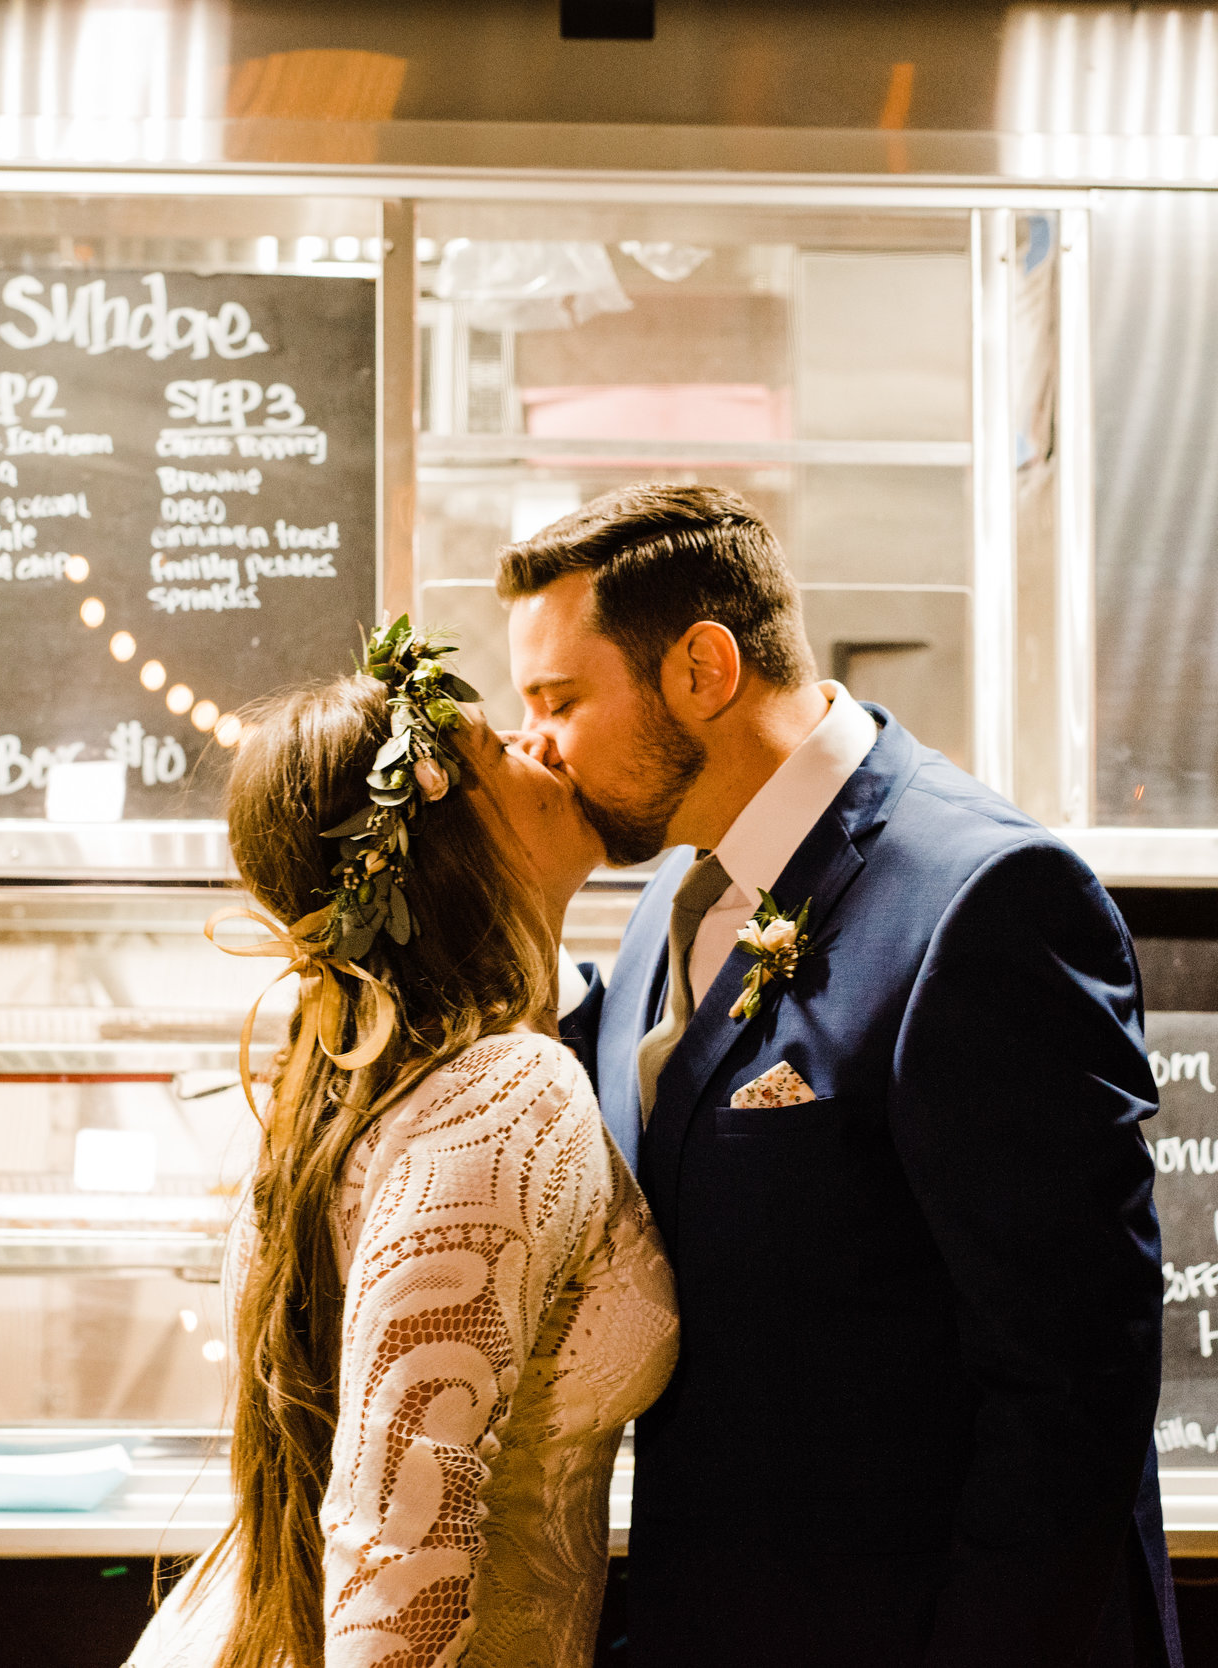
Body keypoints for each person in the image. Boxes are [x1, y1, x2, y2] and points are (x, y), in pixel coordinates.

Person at [500, 484, 1180, 1668]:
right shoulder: (671, 889)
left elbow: (1072, 1388)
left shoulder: (986, 900)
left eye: (559, 700)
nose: (537, 744)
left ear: (702, 670)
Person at [127, 621, 677, 1668]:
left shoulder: (350, 1081)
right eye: (501, 749)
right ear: (442, 839)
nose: (545, 745)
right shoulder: (504, 1092)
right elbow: (395, 1555)